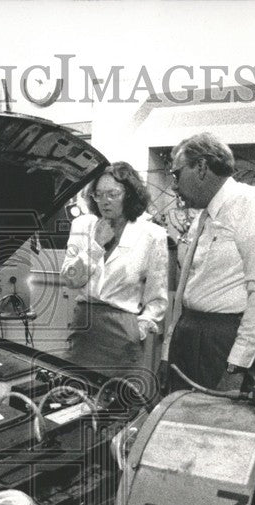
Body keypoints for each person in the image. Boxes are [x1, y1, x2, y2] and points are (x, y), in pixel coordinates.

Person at [161, 132, 255, 393]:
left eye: (176, 174)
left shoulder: (252, 203)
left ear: (202, 167)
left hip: (224, 341)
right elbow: (190, 290)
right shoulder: (204, 215)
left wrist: (236, 368)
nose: (173, 185)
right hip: (192, 334)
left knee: (217, 426)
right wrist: (168, 351)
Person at [60, 162, 168, 384]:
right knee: (75, 394)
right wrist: (95, 247)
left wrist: (138, 329)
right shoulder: (82, 225)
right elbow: (70, 279)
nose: (104, 201)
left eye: (113, 194)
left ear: (129, 195)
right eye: (98, 195)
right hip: (85, 326)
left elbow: (157, 298)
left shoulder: (151, 234)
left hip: (123, 330)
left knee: (119, 401)